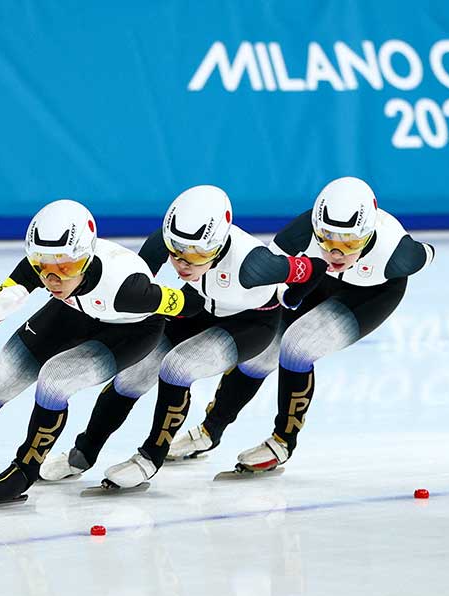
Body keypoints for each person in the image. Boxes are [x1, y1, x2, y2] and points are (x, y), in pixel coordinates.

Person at [0, 199, 201, 504]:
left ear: (86, 258)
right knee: (0, 380)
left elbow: (188, 305)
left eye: (66, 267)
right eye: (43, 267)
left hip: (131, 329)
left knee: (56, 379)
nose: (53, 278)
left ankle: (25, 470)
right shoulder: (46, 260)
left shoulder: (130, 290)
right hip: (73, 311)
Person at [41, 185, 328, 488]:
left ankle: (150, 457)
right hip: (199, 305)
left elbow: (316, 268)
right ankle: (84, 452)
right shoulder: (169, 239)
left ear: (219, 244)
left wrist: (291, 299)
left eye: (197, 254)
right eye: (176, 252)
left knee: (178, 367)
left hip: (252, 321)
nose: (183, 263)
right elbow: (134, 279)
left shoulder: (255, 265)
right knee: (134, 374)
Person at [167, 176, 435, 472]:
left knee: (299, 346)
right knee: (263, 351)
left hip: (371, 293)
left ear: (369, 233)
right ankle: (209, 431)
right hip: (318, 280)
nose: (336, 253)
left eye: (350, 243)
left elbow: (428, 252)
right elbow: (272, 273)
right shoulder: (303, 230)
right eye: (327, 239)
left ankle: (283, 441)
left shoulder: (398, 254)